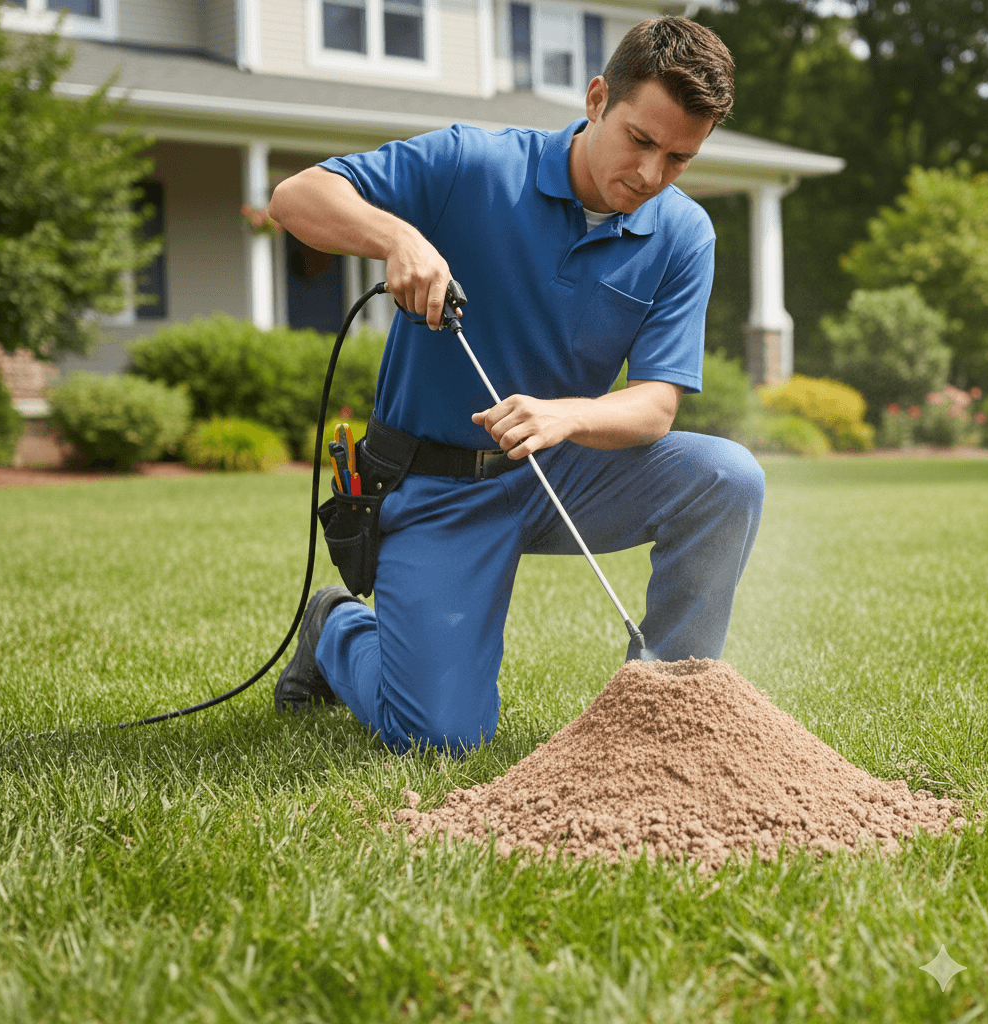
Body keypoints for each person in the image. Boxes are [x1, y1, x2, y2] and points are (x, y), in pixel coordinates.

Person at [266, 16, 765, 752]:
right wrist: (398, 237)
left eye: (680, 159)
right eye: (641, 140)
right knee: (437, 737)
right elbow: (294, 198)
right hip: (439, 484)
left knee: (728, 476)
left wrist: (566, 417)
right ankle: (337, 626)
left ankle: (660, 718)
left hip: (566, 468)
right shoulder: (472, 163)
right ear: (597, 98)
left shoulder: (683, 235)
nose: (651, 175)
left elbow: (656, 404)